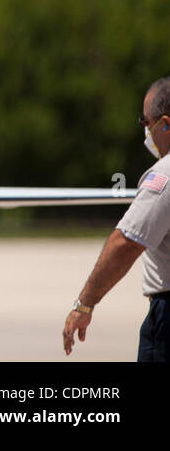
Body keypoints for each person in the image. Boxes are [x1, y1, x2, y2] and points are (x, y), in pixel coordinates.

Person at [63, 76, 170, 361]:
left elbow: (127, 243)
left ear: (166, 124)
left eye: (146, 124)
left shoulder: (165, 174)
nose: (146, 133)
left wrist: (84, 304)